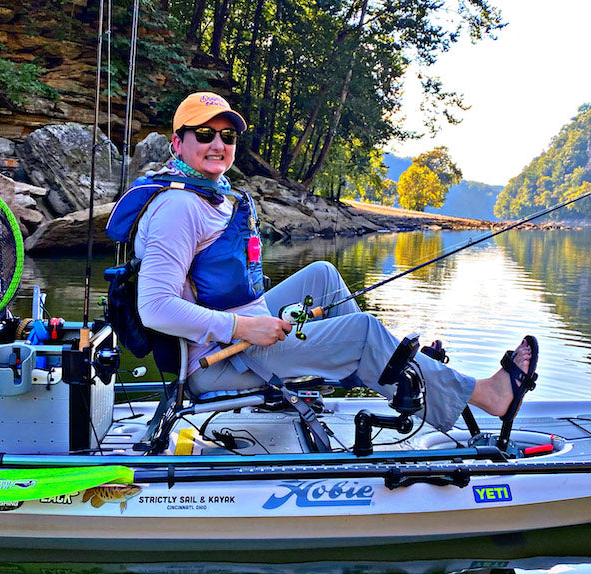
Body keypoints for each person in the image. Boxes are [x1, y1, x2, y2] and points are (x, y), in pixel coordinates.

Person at [106, 91, 538, 432]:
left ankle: (374, 370)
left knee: (324, 276)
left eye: (228, 136)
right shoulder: (178, 208)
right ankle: (486, 395)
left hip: (241, 335)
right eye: (204, 133)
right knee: (364, 330)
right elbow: (155, 307)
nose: (218, 144)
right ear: (177, 143)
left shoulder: (212, 195)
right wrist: (243, 327)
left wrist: (250, 320)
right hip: (218, 361)